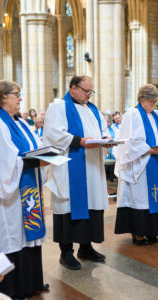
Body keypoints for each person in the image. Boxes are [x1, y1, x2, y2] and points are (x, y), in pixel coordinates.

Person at [0, 80, 49, 300]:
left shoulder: (18, 122)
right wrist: (36, 162)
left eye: (20, 94)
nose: (20, 98)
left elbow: (34, 147)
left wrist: (47, 155)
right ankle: (10, 288)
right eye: (16, 94)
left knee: (27, 238)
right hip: (7, 197)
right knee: (11, 239)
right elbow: (3, 162)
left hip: (26, 190)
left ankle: (31, 283)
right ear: (2, 97)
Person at [43, 75, 110, 270]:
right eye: (86, 91)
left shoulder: (92, 108)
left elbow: (102, 129)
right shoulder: (59, 107)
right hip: (71, 166)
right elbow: (53, 134)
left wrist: (106, 138)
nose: (89, 95)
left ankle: (86, 247)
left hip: (92, 166)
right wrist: (79, 141)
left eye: (91, 91)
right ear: (73, 88)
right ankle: (66, 252)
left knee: (91, 206)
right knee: (69, 207)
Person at [114, 84, 158, 245]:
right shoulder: (133, 114)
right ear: (142, 99)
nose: (154, 104)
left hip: (156, 162)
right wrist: (148, 149)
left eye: (156, 101)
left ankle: (153, 230)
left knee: (154, 198)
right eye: (151, 101)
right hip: (140, 164)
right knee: (140, 199)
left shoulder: (157, 116)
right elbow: (128, 141)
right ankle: (138, 232)